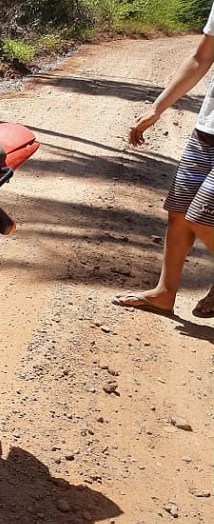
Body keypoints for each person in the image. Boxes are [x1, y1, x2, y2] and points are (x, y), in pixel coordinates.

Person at [112, 4, 214, 319]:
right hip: (208, 129)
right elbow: (201, 57)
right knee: (180, 214)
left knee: (202, 217)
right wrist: (158, 107)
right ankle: (164, 293)